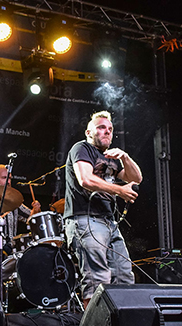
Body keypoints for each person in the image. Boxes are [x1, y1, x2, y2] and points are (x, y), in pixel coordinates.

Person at [63, 110, 143, 310]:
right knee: (97, 279)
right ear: (88, 132)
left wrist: (125, 157)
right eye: (101, 127)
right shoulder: (81, 148)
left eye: (110, 129)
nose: (107, 131)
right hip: (85, 218)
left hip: (108, 222)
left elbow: (136, 179)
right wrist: (119, 190)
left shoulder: (112, 157)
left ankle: (120, 324)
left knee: (124, 275)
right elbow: (86, 179)